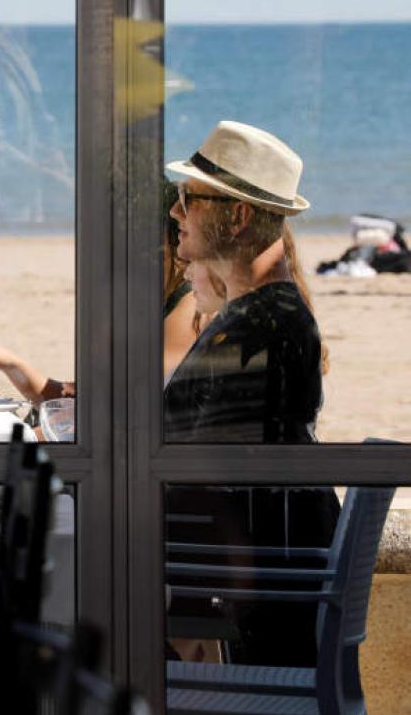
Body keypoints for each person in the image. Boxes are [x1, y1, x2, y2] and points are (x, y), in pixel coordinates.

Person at [163, 120, 335, 667]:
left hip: (240, 626)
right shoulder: (265, 315)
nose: (175, 213)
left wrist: (182, 613)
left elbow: (213, 491)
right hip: (251, 605)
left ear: (236, 216)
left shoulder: (256, 330)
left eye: (188, 199)